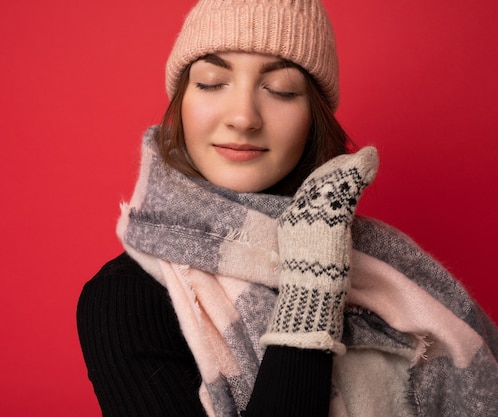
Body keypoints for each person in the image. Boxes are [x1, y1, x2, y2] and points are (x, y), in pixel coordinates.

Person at [77, 0, 498, 415]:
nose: (243, 117)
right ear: (181, 104)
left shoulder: (387, 264)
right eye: (210, 81)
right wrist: (312, 282)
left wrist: (321, 236)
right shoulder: (123, 298)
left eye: (281, 90)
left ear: (314, 116)